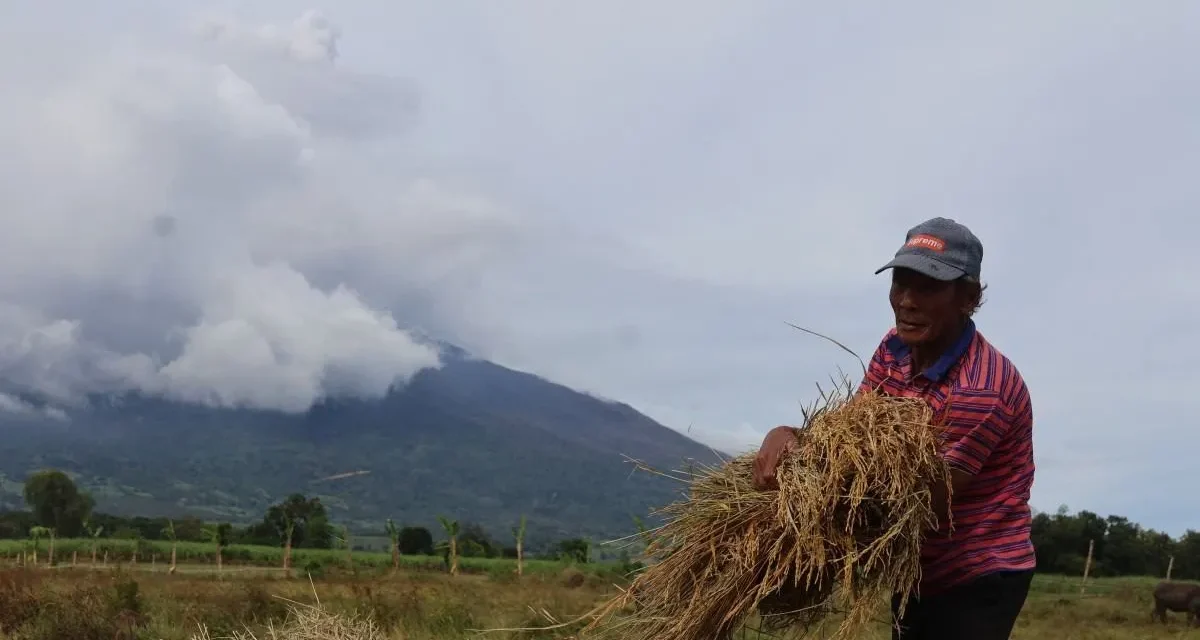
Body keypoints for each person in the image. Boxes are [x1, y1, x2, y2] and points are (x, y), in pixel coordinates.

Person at [752, 217, 1036, 640]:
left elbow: (916, 505)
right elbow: (851, 435)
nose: (906, 301)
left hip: (977, 572)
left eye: (927, 287)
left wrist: (805, 525)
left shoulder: (980, 388)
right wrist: (790, 434)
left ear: (969, 297)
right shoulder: (896, 346)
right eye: (900, 283)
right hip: (919, 567)